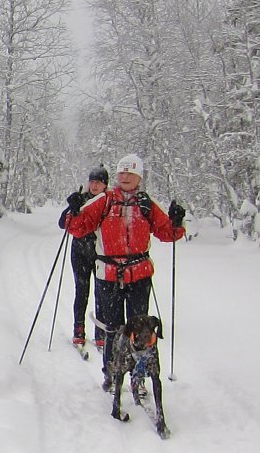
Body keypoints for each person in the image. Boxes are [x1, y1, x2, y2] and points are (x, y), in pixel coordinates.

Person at [63, 153, 186, 385]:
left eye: (131, 172)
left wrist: (177, 222)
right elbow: (77, 228)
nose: (126, 176)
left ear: (139, 175)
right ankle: (111, 374)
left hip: (139, 275)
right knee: (113, 329)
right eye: (122, 172)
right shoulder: (105, 200)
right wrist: (74, 210)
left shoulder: (146, 203)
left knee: (141, 330)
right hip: (109, 275)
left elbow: (167, 233)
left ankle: (138, 377)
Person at [59, 166, 109, 353]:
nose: (95, 185)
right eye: (92, 181)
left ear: (105, 185)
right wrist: (72, 208)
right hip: (80, 251)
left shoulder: (108, 202)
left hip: (101, 253)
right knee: (82, 291)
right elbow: (62, 222)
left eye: (99, 182)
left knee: (101, 293)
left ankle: (100, 333)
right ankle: (78, 329)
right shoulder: (81, 199)